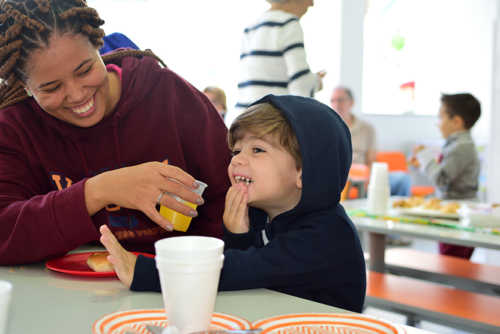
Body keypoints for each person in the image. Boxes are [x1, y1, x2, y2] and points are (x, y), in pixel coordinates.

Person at [0, 0, 231, 265]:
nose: (76, 95)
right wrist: (98, 191)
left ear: (100, 45)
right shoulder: (15, 126)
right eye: (51, 88)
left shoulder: (167, 94)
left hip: (180, 280)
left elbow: (228, 196)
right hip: (68, 294)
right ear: (25, 86)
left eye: (85, 70)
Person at [100, 94, 367, 312]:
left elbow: (242, 271)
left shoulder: (326, 234)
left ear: (304, 172)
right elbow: (251, 287)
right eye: (236, 150)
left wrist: (144, 272)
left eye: (258, 150)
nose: (237, 160)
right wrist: (238, 235)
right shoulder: (263, 214)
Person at [224, 0, 326, 127]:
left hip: (244, 119)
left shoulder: (251, 28)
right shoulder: (288, 23)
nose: (311, 4)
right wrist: (316, 82)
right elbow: (300, 83)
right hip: (272, 123)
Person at [410, 93, 481, 259]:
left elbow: (441, 179)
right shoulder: (457, 145)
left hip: (458, 214)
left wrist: (426, 156)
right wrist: (423, 164)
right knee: (448, 259)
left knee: (452, 261)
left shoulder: (462, 146)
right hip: (453, 211)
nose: (438, 124)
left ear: (456, 121)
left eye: (441, 118)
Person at [330, 86, 411, 197]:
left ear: (351, 103)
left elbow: (371, 159)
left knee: (402, 179)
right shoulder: (327, 128)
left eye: (340, 100)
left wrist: (369, 178)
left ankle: (395, 213)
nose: (336, 105)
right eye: (332, 101)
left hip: (364, 175)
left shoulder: (367, 128)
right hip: (340, 177)